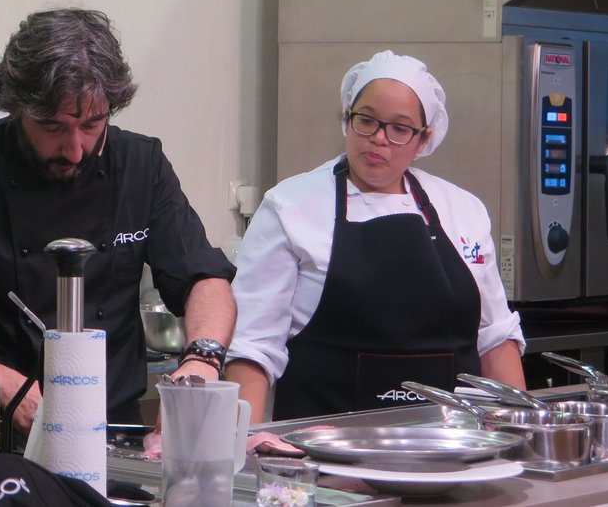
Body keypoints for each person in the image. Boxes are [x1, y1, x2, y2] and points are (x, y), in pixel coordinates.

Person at [0, 8, 236, 434]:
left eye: (92, 125)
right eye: (53, 127)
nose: (75, 149)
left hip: (114, 427)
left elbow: (204, 277)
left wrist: (201, 362)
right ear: (16, 105)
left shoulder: (140, 165)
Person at [225, 51, 526, 423]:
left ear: (423, 139)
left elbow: (495, 337)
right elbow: (253, 348)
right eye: (366, 121)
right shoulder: (290, 206)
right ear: (347, 119)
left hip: (451, 447)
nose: (378, 139)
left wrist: (522, 436)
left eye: (399, 129)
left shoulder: (463, 210)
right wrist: (247, 451)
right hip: (323, 450)